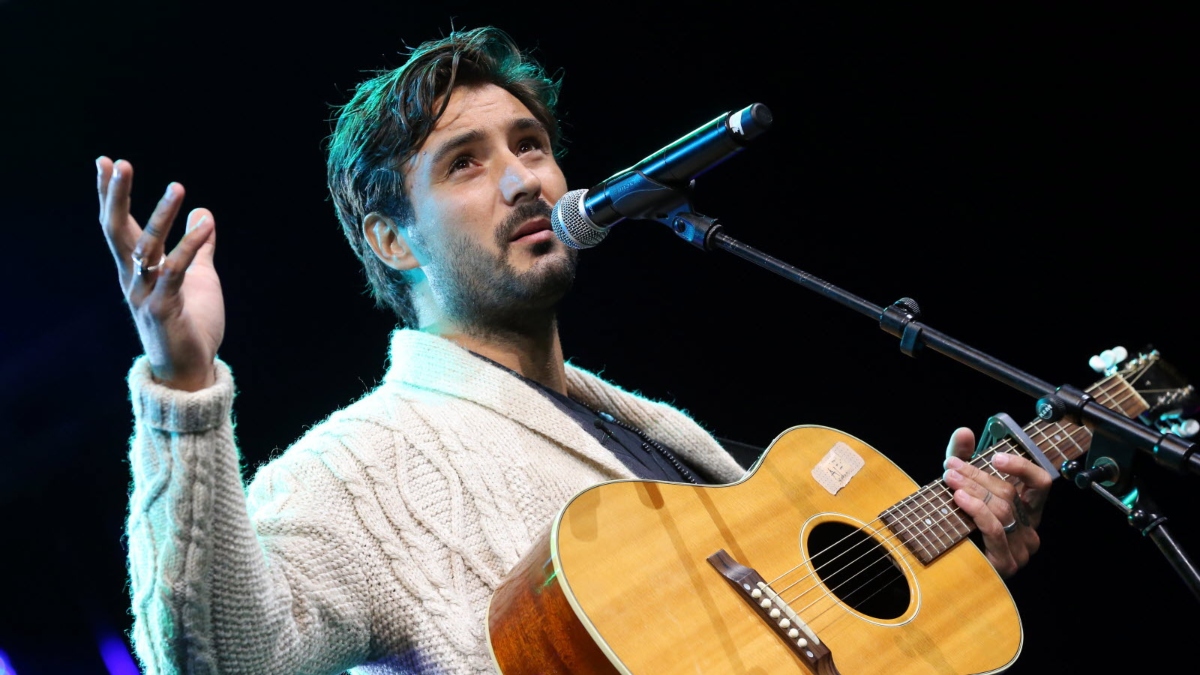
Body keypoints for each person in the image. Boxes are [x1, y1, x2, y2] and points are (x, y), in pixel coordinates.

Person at [95, 25, 1052, 674]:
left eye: (531, 144)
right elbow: (214, 649)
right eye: (464, 163)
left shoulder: (663, 434)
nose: (521, 179)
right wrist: (182, 381)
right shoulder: (363, 464)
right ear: (391, 238)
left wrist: (960, 568)